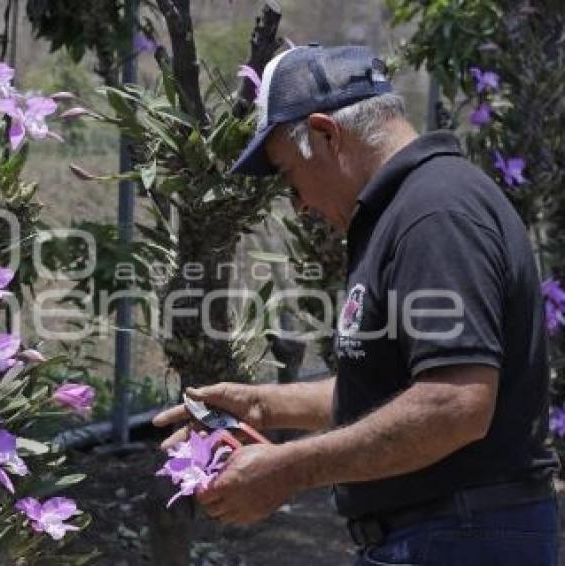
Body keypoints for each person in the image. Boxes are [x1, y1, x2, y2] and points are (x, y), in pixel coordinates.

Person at [153, 44, 559, 565]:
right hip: (447, 534)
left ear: (325, 134)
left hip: (459, 536)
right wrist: (263, 406)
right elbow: (399, 388)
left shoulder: (434, 214)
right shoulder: (410, 208)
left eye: (287, 174)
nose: (297, 204)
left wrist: (289, 468)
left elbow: (454, 406)